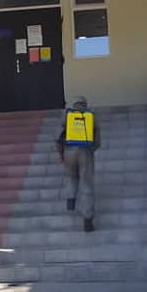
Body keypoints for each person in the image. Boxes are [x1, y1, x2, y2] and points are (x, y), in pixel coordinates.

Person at [56, 96, 101, 232]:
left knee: (71, 176)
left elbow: (58, 136)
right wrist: (91, 149)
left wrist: (61, 153)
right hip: (85, 152)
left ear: (74, 104)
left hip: (69, 151)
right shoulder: (91, 115)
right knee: (87, 184)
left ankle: (71, 199)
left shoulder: (67, 115)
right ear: (85, 104)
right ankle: (87, 220)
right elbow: (98, 140)